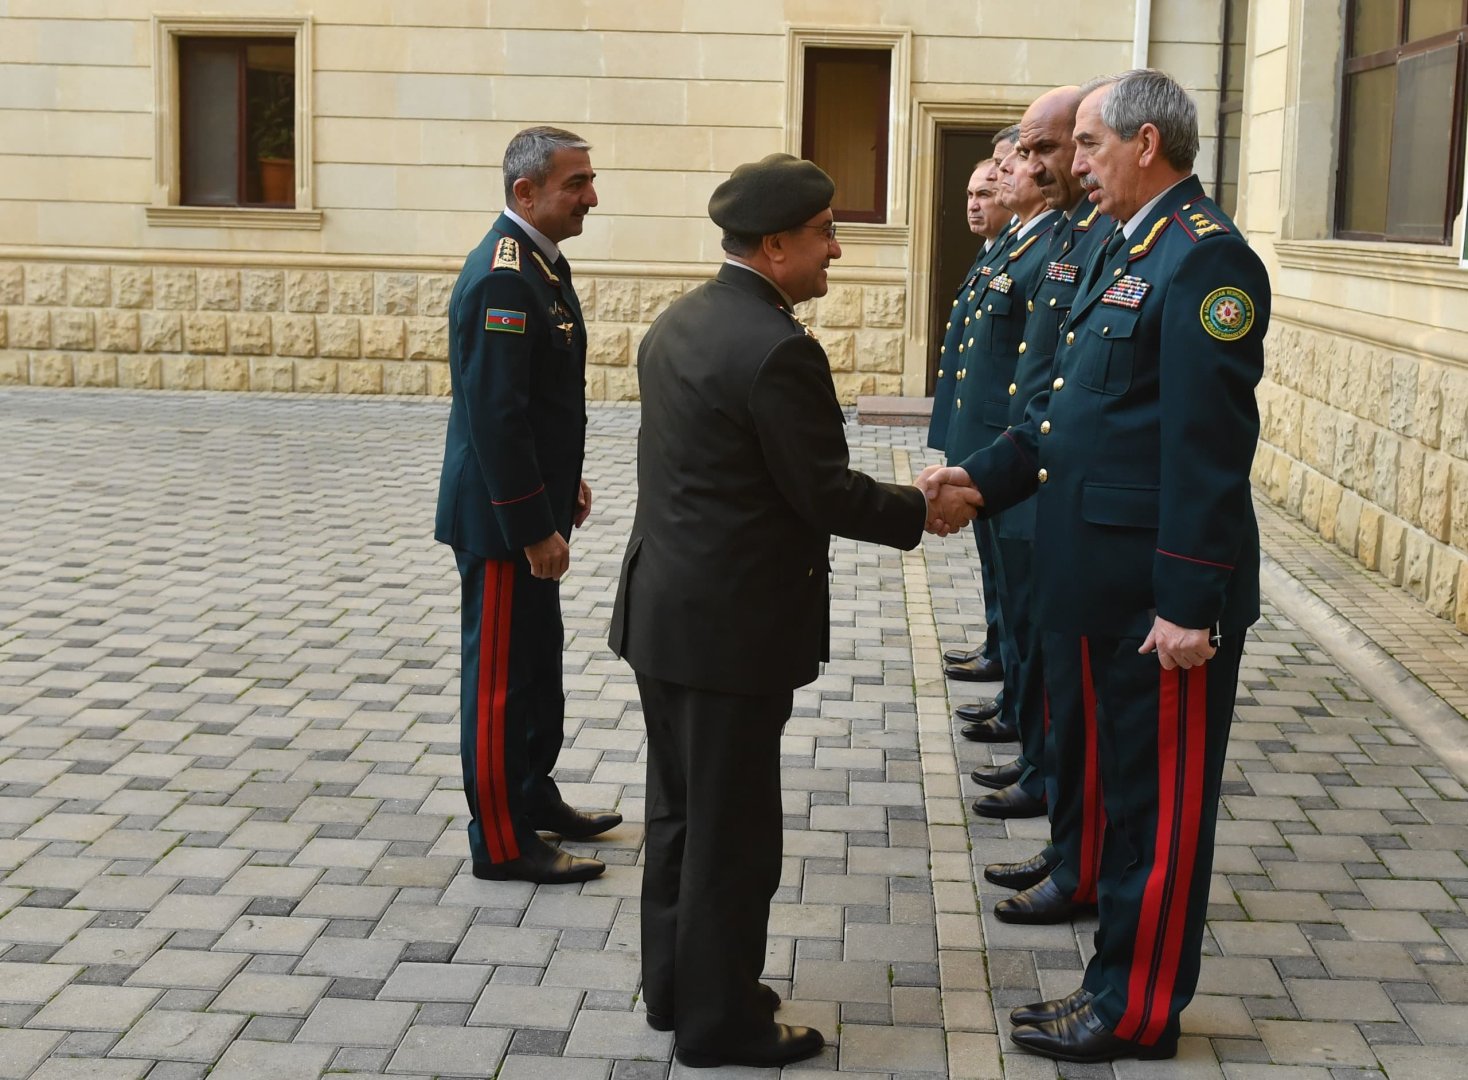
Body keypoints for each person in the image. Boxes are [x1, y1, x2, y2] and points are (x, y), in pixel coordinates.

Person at [921, 69, 1271, 1063]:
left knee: (1155, 813)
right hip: (1092, 576)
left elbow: (1205, 452)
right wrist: (978, 481)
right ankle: (1109, 982)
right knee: (1118, 799)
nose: (1068, 165)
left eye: (1085, 145)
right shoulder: (1126, 249)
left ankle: (1136, 1009)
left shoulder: (1205, 264)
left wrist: (1189, 605)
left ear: (1145, 145)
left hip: (1154, 602)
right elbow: (1062, 418)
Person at [609, 153, 979, 1070]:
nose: (836, 252)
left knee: (680, 817)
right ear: (774, 246)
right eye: (822, 235)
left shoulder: (680, 321)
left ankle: (677, 990)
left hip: (664, 615)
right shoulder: (779, 348)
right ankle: (722, 1025)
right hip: (731, 634)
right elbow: (820, 492)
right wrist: (922, 508)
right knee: (733, 841)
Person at [435, 126, 621, 885]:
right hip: (504, 522)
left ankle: (532, 795)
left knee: (538, 669)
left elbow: (540, 400)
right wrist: (533, 523)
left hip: (532, 506)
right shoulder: (504, 279)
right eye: (576, 183)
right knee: (499, 687)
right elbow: (496, 416)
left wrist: (563, 480)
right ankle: (502, 843)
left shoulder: (541, 265)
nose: (591, 197)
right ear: (526, 192)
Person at [977, 85, 1115, 925]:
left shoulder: (1189, 256)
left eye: (1053, 149)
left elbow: (1195, 439)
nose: (1030, 166)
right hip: (1053, 499)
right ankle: (1074, 854)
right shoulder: (1093, 238)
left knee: (1095, 719)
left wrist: (1188, 595)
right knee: (1064, 689)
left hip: (1104, 532)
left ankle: (1082, 864)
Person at [944, 125, 1057, 775]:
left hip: (1018, 454)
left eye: (1013, 163)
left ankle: (1026, 717)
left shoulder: (1048, 252)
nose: (1007, 173)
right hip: (995, 452)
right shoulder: (1016, 248)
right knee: (1008, 588)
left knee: (1026, 599)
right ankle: (1017, 701)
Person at [930, 153, 1014, 696]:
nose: (975, 204)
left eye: (985, 192)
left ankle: (1007, 665)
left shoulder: (1030, 255)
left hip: (1004, 443)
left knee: (1011, 569)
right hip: (978, 439)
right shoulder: (992, 255)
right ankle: (997, 646)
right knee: (995, 562)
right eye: (969, 195)